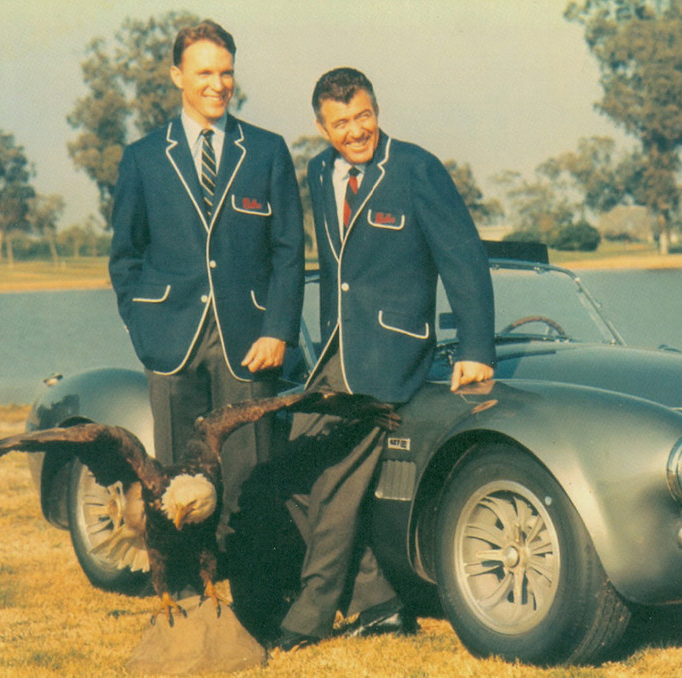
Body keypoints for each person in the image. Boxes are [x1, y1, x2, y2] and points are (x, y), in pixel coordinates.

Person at [275, 67, 496, 650]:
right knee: (288, 471)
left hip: (390, 355)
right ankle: (377, 601)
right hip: (332, 353)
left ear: (378, 109)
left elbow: (464, 260)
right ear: (321, 128)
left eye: (364, 116)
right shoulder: (319, 172)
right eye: (341, 122)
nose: (356, 131)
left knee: (335, 485)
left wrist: (476, 349)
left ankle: (311, 613)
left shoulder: (416, 168)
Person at [108, 20, 304, 555]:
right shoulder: (144, 158)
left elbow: (290, 249)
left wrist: (279, 328)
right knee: (177, 485)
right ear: (177, 76)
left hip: (250, 340)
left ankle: (255, 603)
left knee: (251, 475)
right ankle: (189, 602)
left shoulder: (266, 150)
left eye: (226, 73)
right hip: (171, 342)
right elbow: (125, 256)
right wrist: (144, 328)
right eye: (204, 73)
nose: (217, 84)